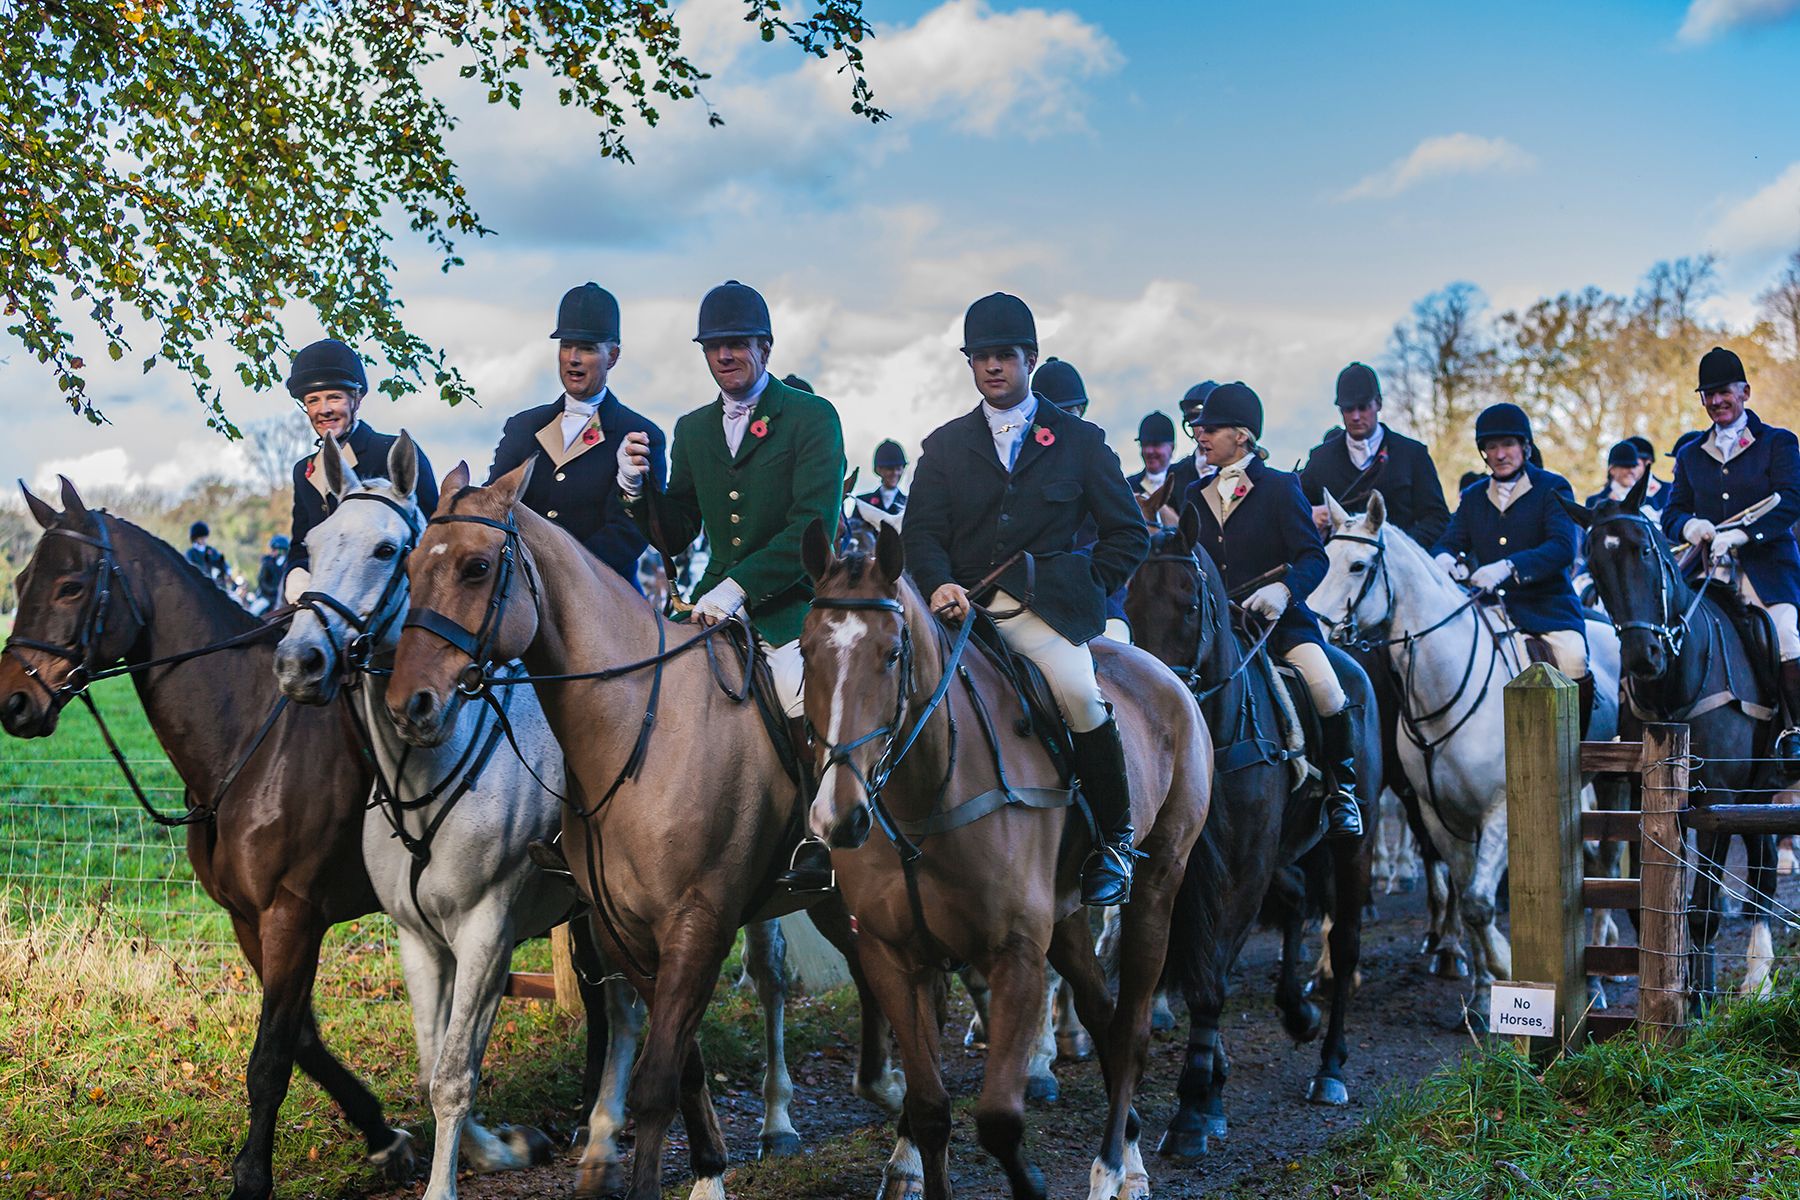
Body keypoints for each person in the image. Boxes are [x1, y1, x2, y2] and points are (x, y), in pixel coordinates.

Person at [904, 293, 1150, 904]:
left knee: (1079, 694)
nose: (992, 367)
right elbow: (920, 535)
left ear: (1030, 358)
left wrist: (1080, 586)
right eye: (981, 357)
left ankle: (1113, 842)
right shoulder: (942, 447)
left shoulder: (1081, 442)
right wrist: (937, 583)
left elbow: (1128, 535)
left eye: (1004, 356)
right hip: (959, 617)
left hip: (1041, 618)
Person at [617, 281, 846, 889]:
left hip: (793, 608)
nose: (724, 356)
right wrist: (638, 493)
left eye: (736, 344)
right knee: (642, 692)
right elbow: (681, 527)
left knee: (802, 696)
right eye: (714, 347)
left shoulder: (812, 417)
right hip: (710, 605)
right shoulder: (692, 429)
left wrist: (738, 588)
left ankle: (814, 837)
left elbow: (813, 526)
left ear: (764, 346)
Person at [1181, 382, 1365, 840]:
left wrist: (1284, 591)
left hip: (1278, 627)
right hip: (1215, 632)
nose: (1200, 435)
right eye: (1197, 428)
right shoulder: (1193, 492)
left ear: (1242, 435)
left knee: (1327, 689)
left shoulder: (1281, 486)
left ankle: (1342, 792)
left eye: (1211, 428)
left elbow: (1313, 556)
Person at [1662, 345, 1800, 762]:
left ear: (1745, 391)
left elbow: (1792, 501)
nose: (1717, 401)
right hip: (1709, 575)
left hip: (1767, 574)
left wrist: (1745, 536)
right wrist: (1691, 526)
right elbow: (1672, 511)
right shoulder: (1689, 454)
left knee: (1787, 636)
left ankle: (1794, 730)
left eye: (1725, 391)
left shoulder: (1777, 443)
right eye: (1708, 394)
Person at [486, 284, 666, 589]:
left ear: (613, 356)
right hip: (521, 590)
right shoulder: (523, 426)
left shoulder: (640, 434)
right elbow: (495, 504)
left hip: (603, 597)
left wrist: (556, 572)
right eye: (566, 346)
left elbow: (628, 533)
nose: (573, 358)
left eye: (586, 348)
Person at [1431, 403, 1592, 728]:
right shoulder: (1474, 496)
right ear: (1483, 453)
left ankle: (1576, 746)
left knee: (1574, 657)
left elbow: (1562, 548)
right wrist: (1445, 560)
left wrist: (1508, 566)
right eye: (1491, 447)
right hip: (1490, 609)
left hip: (1548, 607)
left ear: (1525, 447)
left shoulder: (1552, 487)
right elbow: (1450, 539)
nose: (1500, 454)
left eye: (1507, 445)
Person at [284, 338, 439, 601]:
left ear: (357, 399)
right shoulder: (304, 471)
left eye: (334, 397)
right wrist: (297, 576)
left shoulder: (392, 451)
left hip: (386, 605)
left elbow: (432, 533)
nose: (324, 410)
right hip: (320, 601)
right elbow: (301, 544)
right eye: (313, 400)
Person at [1299, 362, 1450, 547]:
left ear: (1378, 403)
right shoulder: (1320, 458)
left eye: (1362, 407)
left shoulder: (1412, 454)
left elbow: (1436, 518)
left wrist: (1401, 547)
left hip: (1398, 565)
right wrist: (1310, 513)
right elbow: (1296, 511)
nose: (1355, 416)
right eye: (1348, 409)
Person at [1586, 439, 1664, 516]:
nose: (1631, 470)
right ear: (1612, 470)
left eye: (1634, 466)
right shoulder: (1594, 502)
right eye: (1626, 466)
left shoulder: (1648, 502)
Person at [1129, 412, 1178, 506]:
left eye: (1156, 444)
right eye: (1144, 444)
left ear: (1172, 447)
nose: (1149, 451)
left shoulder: (1185, 483)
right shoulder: (1129, 487)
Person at [856, 440, 908, 515]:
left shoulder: (908, 504)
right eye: (890, 469)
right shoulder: (863, 503)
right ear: (878, 470)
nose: (895, 473)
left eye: (898, 469)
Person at [185, 521, 231, 590]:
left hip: (217, 586)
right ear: (195, 538)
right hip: (200, 587)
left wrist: (228, 573)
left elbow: (223, 564)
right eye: (201, 538)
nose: (204, 540)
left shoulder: (212, 550)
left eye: (205, 537)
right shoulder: (190, 553)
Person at [254, 534, 289, 611]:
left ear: (281, 550)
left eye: (274, 549)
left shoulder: (288, 563)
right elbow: (262, 581)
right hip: (267, 597)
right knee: (254, 611)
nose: (272, 551)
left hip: (284, 597)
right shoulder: (267, 563)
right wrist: (274, 590)